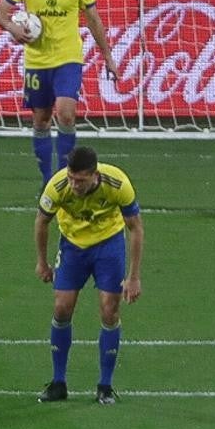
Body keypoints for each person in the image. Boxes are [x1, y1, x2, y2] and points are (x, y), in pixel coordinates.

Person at [0, 0, 120, 187]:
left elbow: (93, 19)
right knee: (41, 119)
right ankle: (47, 181)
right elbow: (0, 13)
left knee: (66, 114)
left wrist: (108, 56)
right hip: (37, 60)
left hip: (68, 58)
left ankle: (64, 179)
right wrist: (13, 28)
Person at [34, 146, 143, 405]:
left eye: (80, 181)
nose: (74, 185)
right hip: (73, 247)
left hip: (109, 245)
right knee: (61, 308)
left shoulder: (118, 183)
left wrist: (134, 276)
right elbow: (41, 221)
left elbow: (136, 228)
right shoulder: (57, 186)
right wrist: (42, 262)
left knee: (109, 310)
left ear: (95, 176)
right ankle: (58, 382)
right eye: (71, 178)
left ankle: (105, 386)